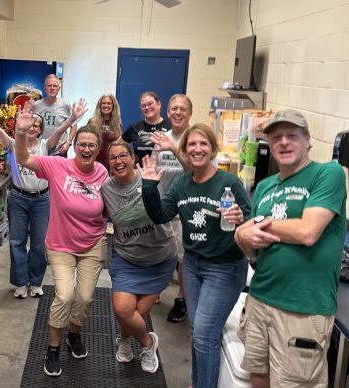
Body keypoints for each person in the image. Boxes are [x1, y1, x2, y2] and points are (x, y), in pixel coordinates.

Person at [234, 110, 347, 388]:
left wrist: (255, 225)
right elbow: (254, 254)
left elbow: (308, 232)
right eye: (276, 137)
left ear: (307, 140)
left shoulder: (327, 173)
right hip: (260, 299)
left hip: (302, 308)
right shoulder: (263, 187)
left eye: (292, 136)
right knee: (258, 376)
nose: (284, 142)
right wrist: (242, 239)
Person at [139, 123, 250, 388]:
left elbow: (251, 221)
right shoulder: (182, 183)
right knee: (197, 331)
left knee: (204, 335)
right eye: (192, 145)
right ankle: (198, 383)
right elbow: (161, 215)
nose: (197, 149)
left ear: (212, 148)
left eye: (203, 144)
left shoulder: (229, 183)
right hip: (192, 265)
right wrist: (149, 187)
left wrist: (241, 218)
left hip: (224, 267)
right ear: (185, 150)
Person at [15, 102, 108, 377]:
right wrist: (20, 134)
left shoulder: (102, 173)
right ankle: (53, 347)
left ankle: (74, 334)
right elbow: (23, 160)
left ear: (97, 148)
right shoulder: (57, 166)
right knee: (65, 296)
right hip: (61, 245)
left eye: (92, 145)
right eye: (83, 145)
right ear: (75, 145)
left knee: (85, 297)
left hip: (92, 244)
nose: (87, 149)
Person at [0, 94, 87, 299]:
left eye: (36, 126)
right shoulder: (13, 144)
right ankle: (21, 282)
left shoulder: (45, 146)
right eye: (29, 124)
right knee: (17, 241)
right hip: (18, 199)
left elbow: (60, 130)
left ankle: (36, 281)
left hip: (42, 199)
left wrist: (72, 119)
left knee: (39, 243)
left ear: (39, 130)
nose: (32, 128)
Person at [101, 140, 178, 374]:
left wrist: (174, 148)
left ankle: (124, 340)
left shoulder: (153, 176)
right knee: (124, 310)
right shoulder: (106, 188)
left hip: (160, 257)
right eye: (113, 158)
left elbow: (192, 169)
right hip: (127, 258)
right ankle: (148, 343)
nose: (118, 161)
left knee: (138, 313)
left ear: (133, 158)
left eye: (123, 155)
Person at [154, 93, 194, 322]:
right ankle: (156, 289)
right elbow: (154, 167)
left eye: (182, 109)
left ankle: (181, 299)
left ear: (189, 113)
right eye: (174, 109)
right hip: (162, 205)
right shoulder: (162, 137)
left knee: (182, 257)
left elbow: (195, 171)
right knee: (160, 252)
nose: (178, 113)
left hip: (185, 209)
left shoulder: (195, 138)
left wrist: (174, 149)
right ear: (168, 112)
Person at [121, 91, 172, 164]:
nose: (147, 107)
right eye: (143, 105)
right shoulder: (134, 127)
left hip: (165, 173)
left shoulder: (170, 126)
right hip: (140, 172)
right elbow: (118, 145)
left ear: (159, 104)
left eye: (150, 104)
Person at [34, 74, 77, 156]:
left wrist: (68, 143)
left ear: (59, 88)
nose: (52, 88)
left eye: (55, 86)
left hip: (59, 151)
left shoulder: (65, 105)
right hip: (41, 151)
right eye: (49, 85)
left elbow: (74, 125)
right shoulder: (36, 105)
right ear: (45, 87)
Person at [87, 93, 123, 168]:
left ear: (113, 106)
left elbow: (119, 143)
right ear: (99, 106)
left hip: (111, 162)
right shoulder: (92, 122)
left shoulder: (117, 124)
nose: (106, 105)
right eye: (103, 103)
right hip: (94, 162)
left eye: (109, 103)